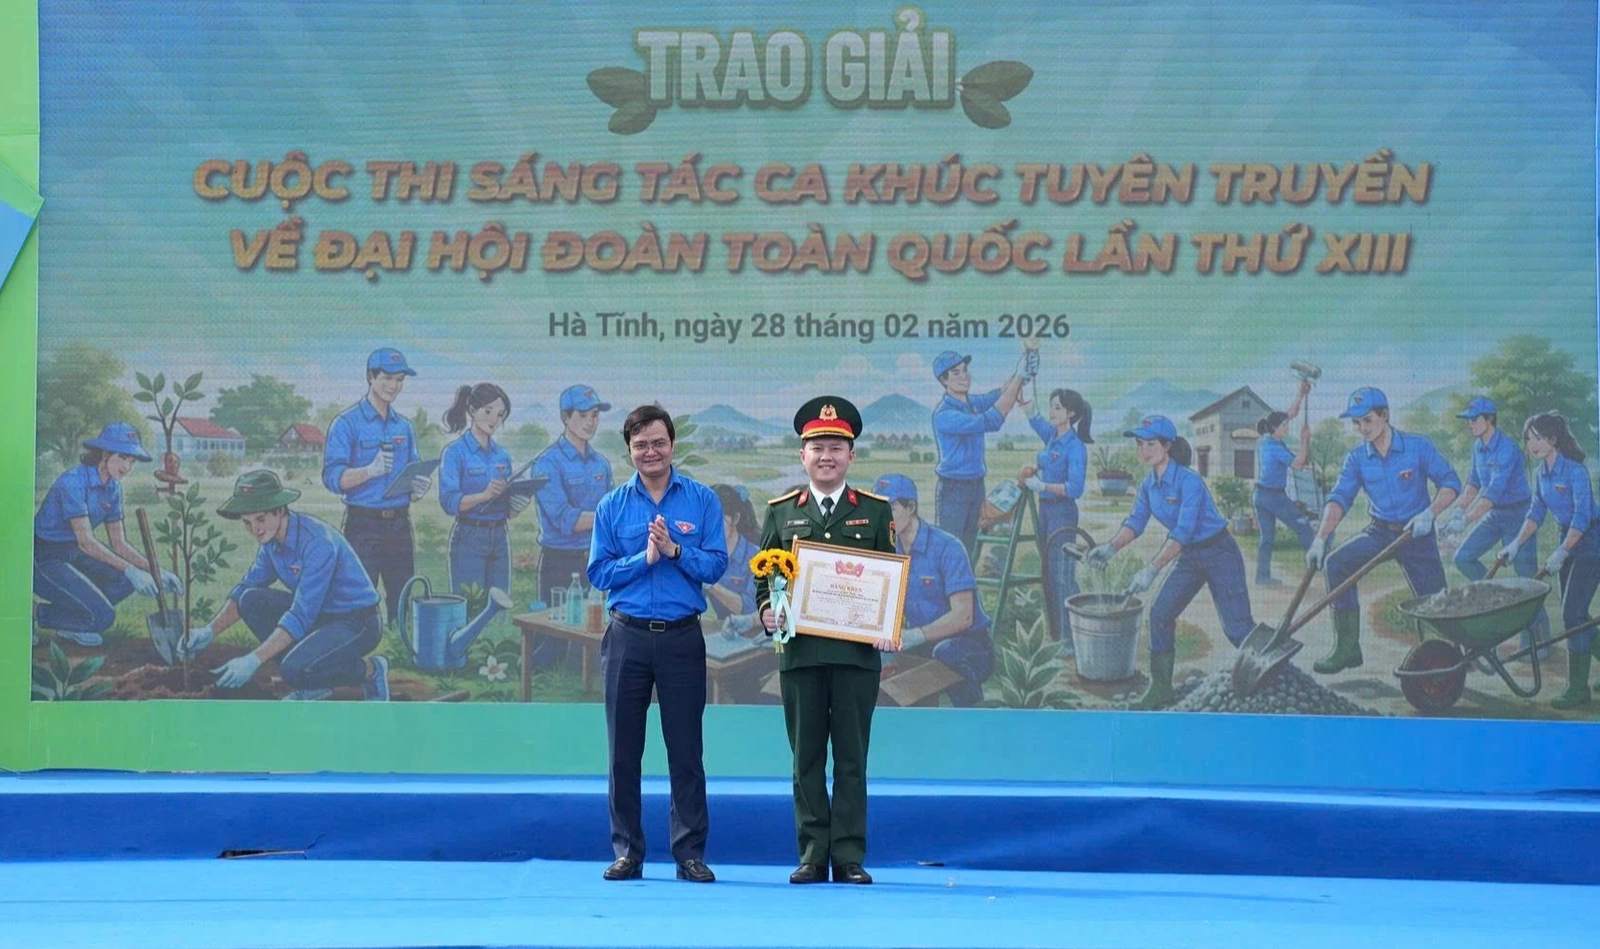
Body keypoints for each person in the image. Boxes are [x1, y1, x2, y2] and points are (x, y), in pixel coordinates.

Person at [757, 396, 896, 885]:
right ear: (802, 455)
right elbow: (763, 577)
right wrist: (767, 610)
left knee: (853, 759)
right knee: (807, 757)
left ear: (851, 456)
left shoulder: (876, 514)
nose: (826, 456)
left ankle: (850, 856)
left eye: (836, 447)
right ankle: (813, 854)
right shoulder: (780, 515)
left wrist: (887, 621)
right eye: (817, 447)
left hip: (857, 658)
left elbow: (887, 580)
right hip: (801, 655)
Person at [587, 405, 727, 884]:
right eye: (641, 444)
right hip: (627, 637)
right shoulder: (612, 506)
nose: (651, 452)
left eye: (659, 442)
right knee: (623, 752)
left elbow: (715, 566)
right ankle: (628, 851)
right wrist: (643, 559)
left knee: (686, 751)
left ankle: (689, 853)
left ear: (672, 445)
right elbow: (599, 573)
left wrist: (675, 552)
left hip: (682, 639)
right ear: (629, 450)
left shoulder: (702, 500)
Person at [1086, 416, 1256, 709]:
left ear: (1166, 446)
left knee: (1237, 629)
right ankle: (1161, 688)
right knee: (1160, 614)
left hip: (1219, 552)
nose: (1143, 450)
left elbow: (1182, 532)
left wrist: (1152, 568)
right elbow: (1135, 523)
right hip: (1190, 556)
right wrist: (1109, 548)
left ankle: (1274, 676)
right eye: (1140, 444)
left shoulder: (1190, 482)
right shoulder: (1148, 485)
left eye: (1150, 444)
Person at [182, 470, 388, 701]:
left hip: (357, 622)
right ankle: (309, 673)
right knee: (250, 599)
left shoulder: (317, 543)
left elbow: (301, 613)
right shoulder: (271, 542)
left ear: (280, 511)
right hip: (320, 618)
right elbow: (246, 588)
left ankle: (370, 670)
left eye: (260, 519)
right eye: (247, 523)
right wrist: (209, 631)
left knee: (293, 670)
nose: (255, 530)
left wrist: (254, 659)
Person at [1306, 387, 1460, 674]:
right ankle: (1348, 647)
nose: (1362, 428)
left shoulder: (1418, 447)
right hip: (1380, 532)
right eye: (1356, 423)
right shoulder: (1356, 459)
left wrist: (1430, 514)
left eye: (1367, 420)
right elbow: (1339, 499)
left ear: (1385, 415)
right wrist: (1320, 539)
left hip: (1417, 534)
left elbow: (1451, 483)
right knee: (1336, 564)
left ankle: (1442, 661)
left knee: (1435, 601)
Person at [33, 422, 182, 646]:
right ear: (105, 454)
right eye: (123, 457)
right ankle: (33, 614)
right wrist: (132, 569)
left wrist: (156, 571)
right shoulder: (72, 482)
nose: (128, 466)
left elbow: (119, 543)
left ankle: (73, 621)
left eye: (132, 461)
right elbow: (86, 542)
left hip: (72, 553)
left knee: (125, 581)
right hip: (43, 557)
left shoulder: (113, 487)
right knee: (104, 616)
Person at [322, 347, 433, 625]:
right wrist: (368, 472)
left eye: (399, 380)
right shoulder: (346, 423)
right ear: (371, 377)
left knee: (402, 593)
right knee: (360, 596)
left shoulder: (404, 426)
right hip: (363, 524)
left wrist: (419, 487)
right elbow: (332, 478)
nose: (394, 386)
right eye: (387, 378)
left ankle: (400, 646)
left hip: (399, 523)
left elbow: (414, 468)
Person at [1501, 413, 1597, 709]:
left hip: (1591, 541)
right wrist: (1516, 544)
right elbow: (1536, 512)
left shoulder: (1575, 472)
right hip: (1565, 539)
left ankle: (1577, 689)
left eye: (1538, 438)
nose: (1532, 444)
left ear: (1553, 439)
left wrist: (1563, 552)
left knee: (1571, 614)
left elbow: (1582, 517)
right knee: (1578, 615)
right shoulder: (1540, 474)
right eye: (1528, 439)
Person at [874, 473, 993, 706]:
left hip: (969, 644)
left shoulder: (947, 547)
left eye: (890, 508)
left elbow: (964, 616)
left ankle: (973, 715)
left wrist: (914, 635)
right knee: (884, 681)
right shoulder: (888, 550)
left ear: (911, 507)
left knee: (945, 652)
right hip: (923, 644)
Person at [1443, 396, 1548, 658]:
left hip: (1519, 515)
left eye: (1475, 419)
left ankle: (1538, 642)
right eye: (1469, 420)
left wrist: (1465, 520)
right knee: (1463, 558)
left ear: (1490, 420)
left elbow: (1493, 493)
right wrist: (1457, 510)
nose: (1471, 424)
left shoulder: (1508, 449)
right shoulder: (1478, 447)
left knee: (1527, 580)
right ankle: (1500, 596)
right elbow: (1473, 484)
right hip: (1495, 516)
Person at [530, 384, 614, 668]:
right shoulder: (547, 463)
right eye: (583, 415)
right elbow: (565, 519)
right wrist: (611, 518)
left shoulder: (601, 463)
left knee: (593, 637)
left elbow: (614, 508)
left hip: (594, 559)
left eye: (595, 415)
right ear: (565, 417)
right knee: (554, 642)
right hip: (559, 561)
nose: (591, 422)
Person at [930, 350, 1030, 555]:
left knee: (971, 549)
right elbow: (992, 420)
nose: (964, 376)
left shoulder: (972, 403)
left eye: (965, 370)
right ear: (944, 380)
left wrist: (1023, 369)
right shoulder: (945, 415)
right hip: (953, 489)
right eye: (955, 373)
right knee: (951, 551)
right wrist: (1019, 376)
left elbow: (1002, 393)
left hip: (976, 485)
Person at [438, 383, 528, 600]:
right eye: (488, 412)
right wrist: (484, 495)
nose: (494, 420)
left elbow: (507, 506)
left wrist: (517, 504)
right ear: (472, 410)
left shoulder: (502, 455)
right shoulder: (454, 452)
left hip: (500, 535)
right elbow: (449, 502)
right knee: (470, 604)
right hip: (469, 535)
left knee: (500, 604)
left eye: (500, 415)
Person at [1022, 387, 1091, 641]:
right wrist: (1027, 403)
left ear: (1071, 413)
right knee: (1049, 575)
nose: (1051, 412)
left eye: (1057, 407)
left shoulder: (1076, 447)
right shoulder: (1052, 436)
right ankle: (1057, 637)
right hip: (1046, 511)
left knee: (1063, 576)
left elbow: (1076, 488)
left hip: (1063, 513)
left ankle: (1071, 639)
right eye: (1051, 406)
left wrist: (1043, 486)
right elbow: (1037, 421)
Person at [1253, 378, 1315, 586]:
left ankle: (1262, 577)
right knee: (1303, 526)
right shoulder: (1275, 448)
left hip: (1261, 495)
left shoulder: (1269, 439)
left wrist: (1301, 393)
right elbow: (1298, 463)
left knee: (1267, 539)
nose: (1288, 426)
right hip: (1272, 496)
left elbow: (1292, 413)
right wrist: (1305, 441)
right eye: (1284, 425)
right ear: (1275, 428)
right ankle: (1316, 566)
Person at [705, 484, 761, 634]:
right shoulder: (706, 555)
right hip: (724, 634)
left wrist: (711, 585)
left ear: (735, 519)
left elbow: (749, 608)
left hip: (756, 634)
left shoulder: (758, 557)